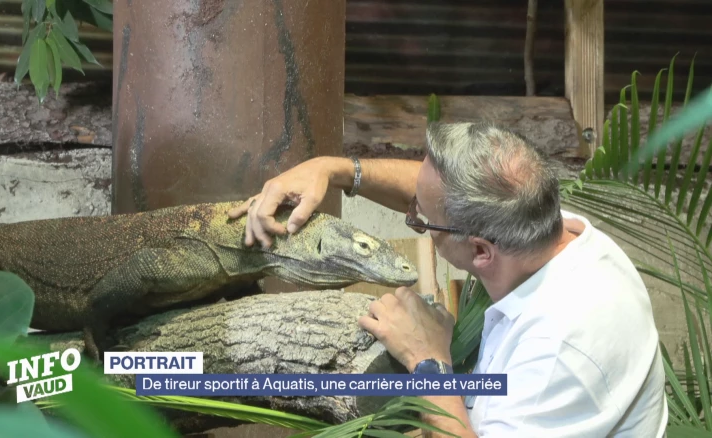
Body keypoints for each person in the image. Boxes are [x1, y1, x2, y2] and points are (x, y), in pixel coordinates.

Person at [228, 121, 668, 437]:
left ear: (480, 251)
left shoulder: (558, 351)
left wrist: (428, 361)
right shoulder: (545, 227)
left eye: (422, 223)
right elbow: (435, 197)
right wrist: (335, 169)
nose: (414, 216)